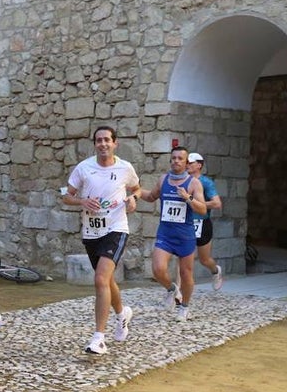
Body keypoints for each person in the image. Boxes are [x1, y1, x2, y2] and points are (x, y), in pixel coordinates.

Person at [62, 125, 141, 355]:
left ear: (115, 143)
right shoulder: (83, 168)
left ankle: (99, 338)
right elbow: (67, 196)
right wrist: (82, 202)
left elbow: (136, 189)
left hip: (116, 229)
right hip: (92, 232)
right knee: (106, 280)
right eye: (99, 140)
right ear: (95, 144)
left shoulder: (125, 167)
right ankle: (122, 313)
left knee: (100, 279)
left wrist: (133, 199)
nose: (103, 144)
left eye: (107, 140)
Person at [138, 146, 208, 321]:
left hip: (185, 236)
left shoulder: (193, 183)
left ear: (186, 163)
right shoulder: (163, 180)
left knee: (186, 274)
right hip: (166, 234)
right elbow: (151, 196)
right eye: (174, 158)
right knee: (158, 269)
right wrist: (136, 191)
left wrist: (188, 198)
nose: (176, 161)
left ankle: (184, 307)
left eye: (180, 159)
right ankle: (171, 289)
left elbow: (202, 209)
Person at [186, 152, 224, 290]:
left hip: (202, 223)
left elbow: (217, 203)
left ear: (199, 165)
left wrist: (196, 203)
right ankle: (179, 292)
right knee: (183, 258)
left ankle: (215, 271)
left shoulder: (206, 182)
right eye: (187, 163)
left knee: (204, 260)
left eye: (190, 163)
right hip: (186, 223)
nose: (187, 165)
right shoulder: (183, 180)